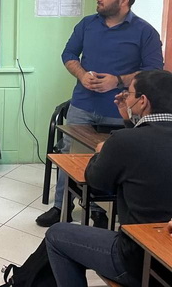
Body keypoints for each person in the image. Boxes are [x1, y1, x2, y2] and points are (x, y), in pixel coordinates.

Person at [37, 0, 163, 228]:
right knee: (69, 154)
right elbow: (69, 54)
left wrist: (118, 80)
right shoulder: (87, 24)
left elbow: (153, 71)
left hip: (119, 110)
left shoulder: (145, 32)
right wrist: (82, 74)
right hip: (82, 105)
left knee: (109, 159)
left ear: (124, 0)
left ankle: (99, 210)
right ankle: (61, 206)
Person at [45, 70, 172, 287]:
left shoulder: (123, 141)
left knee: (56, 235)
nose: (126, 98)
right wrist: (128, 121)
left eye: (129, 94)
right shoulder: (129, 139)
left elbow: (96, 182)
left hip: (138, 261)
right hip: (167, 261)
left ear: (143, 101)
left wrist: (101, 152)